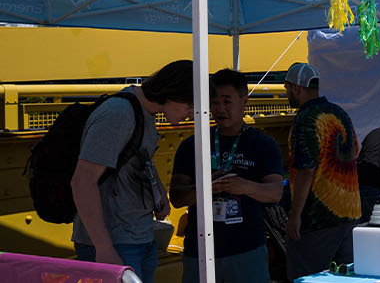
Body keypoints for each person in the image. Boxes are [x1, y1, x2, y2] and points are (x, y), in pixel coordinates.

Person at [71, 60, 194, 282]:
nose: (192, 115)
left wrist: (158, 193)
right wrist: (104, 248)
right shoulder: (119, 113)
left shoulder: (145, 113)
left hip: (138, 236)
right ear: (175, 93)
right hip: (114, 243)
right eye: (191, 107)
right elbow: (82, 181)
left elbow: (138, 157)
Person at [171, 69, 284, 283]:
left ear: (244, 101)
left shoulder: (263, 145)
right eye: (214, 102)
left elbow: (275, 192)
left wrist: (243, 186)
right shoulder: (192, 145)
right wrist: (206, 189)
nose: (220, 109)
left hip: (246, 250)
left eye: (226, 101)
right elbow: (176, 197)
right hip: (200, 252)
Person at [283, 62, 361, 280]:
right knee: (345, 278)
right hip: (349, 213)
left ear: (296, 88)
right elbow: (355, 150)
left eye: (287, 89)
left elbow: (305, 171)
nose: (287, 94)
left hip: (317, 219)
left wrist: (295, 216)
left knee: (309, 278)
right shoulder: (339, 113)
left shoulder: (305, 118)